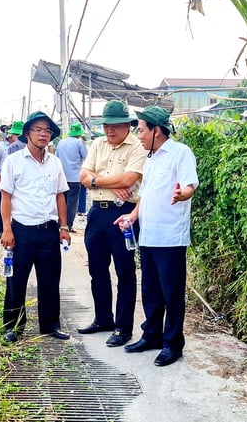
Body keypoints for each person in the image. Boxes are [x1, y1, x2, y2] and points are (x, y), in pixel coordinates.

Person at [119, 105, 198, 367]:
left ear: (157, 130)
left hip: (171, 237)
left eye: (141, 130)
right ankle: (151, 335)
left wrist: (182, 194)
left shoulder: (180, 153)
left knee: (171, 293)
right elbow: (146, 195)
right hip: (149, 235)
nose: (138, 135)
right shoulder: (150, 158)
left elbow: (189, 185)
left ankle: (172, 343)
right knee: (151, 290)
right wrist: (133, 216)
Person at [77, 100, 148, 348]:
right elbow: (83, 176)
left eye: (115, 126)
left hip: (124, 215)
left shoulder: (137, 147)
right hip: (97, 214)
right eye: (106, 126)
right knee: (97, 269)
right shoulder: (97, 144)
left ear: (127, 125)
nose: (110, 131)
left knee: (125, 271)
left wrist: (96, 180)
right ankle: (103, 319)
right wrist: (108, 183)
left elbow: (130, 178)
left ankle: (123, 327)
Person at [0, 111, 71, 342]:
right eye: (38, 130)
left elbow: (60, 196)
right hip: (22, 230)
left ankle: (50, 325)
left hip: (48, 230)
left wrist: (64, 227)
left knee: (50, 279)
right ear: (28, 133)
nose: (43, 134)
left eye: (47, 131)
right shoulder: (13, 161)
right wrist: (7, 229)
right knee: (16, 280)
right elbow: (6, 197)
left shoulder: (55, 162)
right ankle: (13, 327)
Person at [0, 121, 24, 237]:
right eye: (17, 135)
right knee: (2, 203)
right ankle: (1, 229)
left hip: (20, 179)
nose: (18, 138)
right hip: (3, 177)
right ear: (11, 135)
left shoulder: (25, 147)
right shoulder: (0, 147)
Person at [55, 122, 88, 233]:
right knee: (72, 203)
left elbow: (57, 157)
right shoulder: (80, 143)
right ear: (79, 133)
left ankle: (60, 224)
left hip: (62, 177)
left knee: (61, 201)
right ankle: (68, 225)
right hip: (75, 178)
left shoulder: (61, 142)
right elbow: (87, 157)